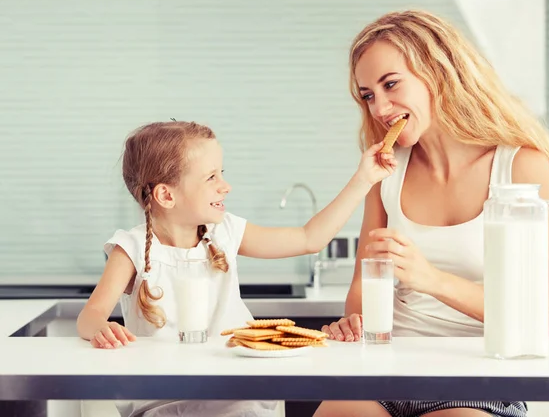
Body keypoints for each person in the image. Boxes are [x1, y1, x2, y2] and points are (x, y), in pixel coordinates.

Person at [314, 10, 549, 417]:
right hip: (388, 371)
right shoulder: (387, 172)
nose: (379, 108)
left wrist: (432, 279)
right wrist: (353, 320)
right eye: (368, 95)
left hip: (481, 378)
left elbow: (546, 318)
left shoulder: (522, 169)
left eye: (391, 84)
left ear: (437, 74)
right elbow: (362, 285)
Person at [76, 120, 396, 417]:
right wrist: (101, 328)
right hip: (165, 400)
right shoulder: (130, 249)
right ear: (166, 195)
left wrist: (364, 179)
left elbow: (309, 238)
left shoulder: (225, 232)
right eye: (211, 177)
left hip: (238, 392)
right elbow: (90, 316)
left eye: (221, 173)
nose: (225, 186)